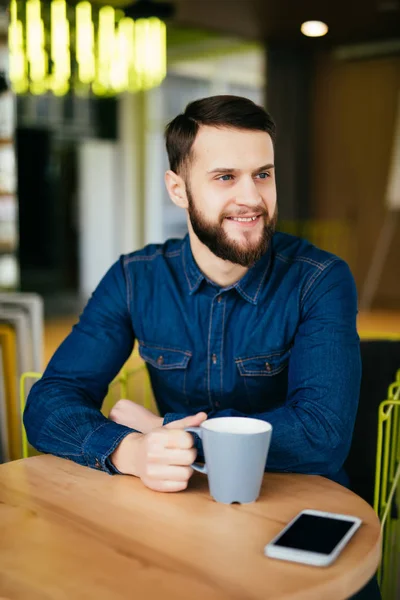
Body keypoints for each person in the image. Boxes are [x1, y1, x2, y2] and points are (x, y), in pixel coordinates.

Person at [25, 95, 361, 490]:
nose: (252, 198)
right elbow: (49, 403)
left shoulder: (320, 279)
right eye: (225, 177)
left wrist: (168, 431)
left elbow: (322, 436)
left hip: (296, 498)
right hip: (183, 500)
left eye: (263, 175)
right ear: (178, 189)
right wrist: (129, 450)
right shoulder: (134, 279)